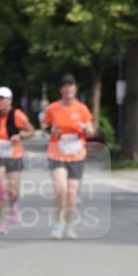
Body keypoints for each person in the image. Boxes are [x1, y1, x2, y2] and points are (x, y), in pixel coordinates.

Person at [43, 74, 95, 239]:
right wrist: (50, 131)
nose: (67, 89)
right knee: (60, 188)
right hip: (57, 152)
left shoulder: (82, 109)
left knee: (71, 193)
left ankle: (69, 225)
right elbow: (44, 125)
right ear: (61, 90)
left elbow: (92, 131)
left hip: (77, 153)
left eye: (70, 86)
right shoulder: (53, 108)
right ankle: (58, 223)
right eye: (64, 86)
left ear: (75, 88)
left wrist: (85, 127)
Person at [0, 87, 35, 235]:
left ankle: (14, 205)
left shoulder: (17, 114)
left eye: (2, 99)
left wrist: (20, 136)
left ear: (9, 100)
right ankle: (3, 222)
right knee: (1, 189)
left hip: (13, 154)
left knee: (13, 191)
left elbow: (31, 131)